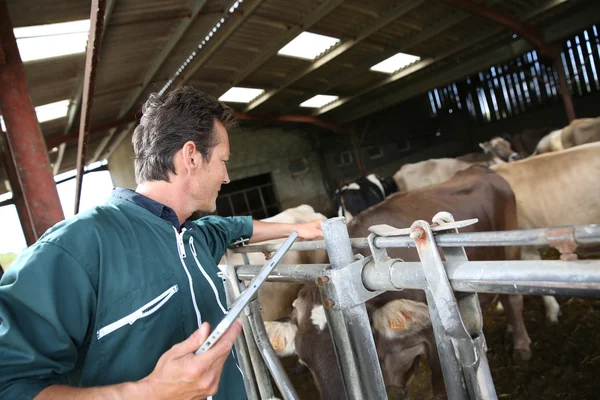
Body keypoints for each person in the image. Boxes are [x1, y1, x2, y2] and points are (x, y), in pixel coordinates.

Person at [0, 86, 324, 399]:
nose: (226, 177)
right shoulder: (75, 248)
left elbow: (232, 227)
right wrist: (148, 394)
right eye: (223, 161)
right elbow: (9, 385)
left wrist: (300, 228)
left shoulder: (193, 238)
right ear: (191, 157)